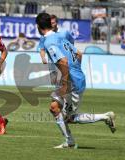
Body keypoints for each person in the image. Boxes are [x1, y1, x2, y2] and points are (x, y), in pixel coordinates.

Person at [35, 13, 116, 148]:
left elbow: (64, 61)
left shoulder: (49, 41)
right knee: (54, 108)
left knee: (70, 118)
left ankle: (105, 117)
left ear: (38, 26)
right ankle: (69, 141)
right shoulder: (60, 37)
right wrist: (75, 70)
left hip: (71, 83)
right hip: (71, 79)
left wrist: (67, 82)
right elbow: (78, 53)